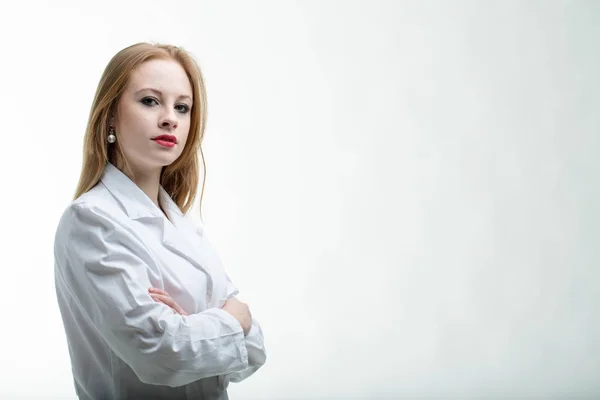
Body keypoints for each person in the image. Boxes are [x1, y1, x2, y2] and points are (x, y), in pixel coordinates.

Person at [53, 42, 266, 400]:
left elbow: (253, 351)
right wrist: (230, 320)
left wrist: (196, 327)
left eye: (182, 107)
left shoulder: (183, 224)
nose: (170, 118)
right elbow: (162, 353)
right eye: (150, 101)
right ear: (109, 115)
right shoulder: (91, 222)